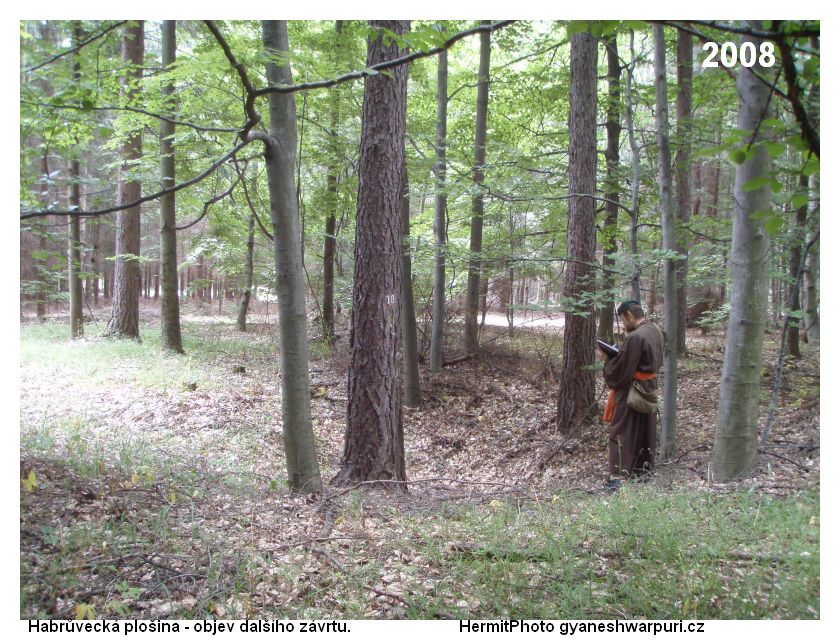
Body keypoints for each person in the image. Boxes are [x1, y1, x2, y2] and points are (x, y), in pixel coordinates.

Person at [595, 300, 664, 493]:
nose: (624, 325)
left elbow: (620, 372)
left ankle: (617, 480)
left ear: (629, 315)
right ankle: (641, 473)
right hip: (648, 388)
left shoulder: (636, 337)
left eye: (623, 320)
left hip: (632, 392)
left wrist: (608, 358)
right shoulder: (656, 330)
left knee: (620, 432)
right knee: (643, 431)